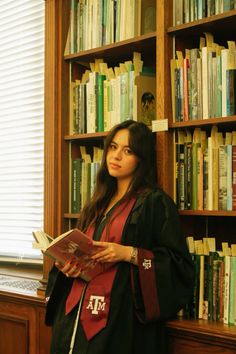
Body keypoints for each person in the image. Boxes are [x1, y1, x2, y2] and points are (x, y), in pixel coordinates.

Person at [45, 120, 194, 354]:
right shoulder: (97, 203)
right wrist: (69, 267)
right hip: (74, 317)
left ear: (141, 158)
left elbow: (178, 266)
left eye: (128, 151)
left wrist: (128, 253)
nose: (116, 156)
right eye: (113, 147)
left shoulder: (154, 203)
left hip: (119, 321)